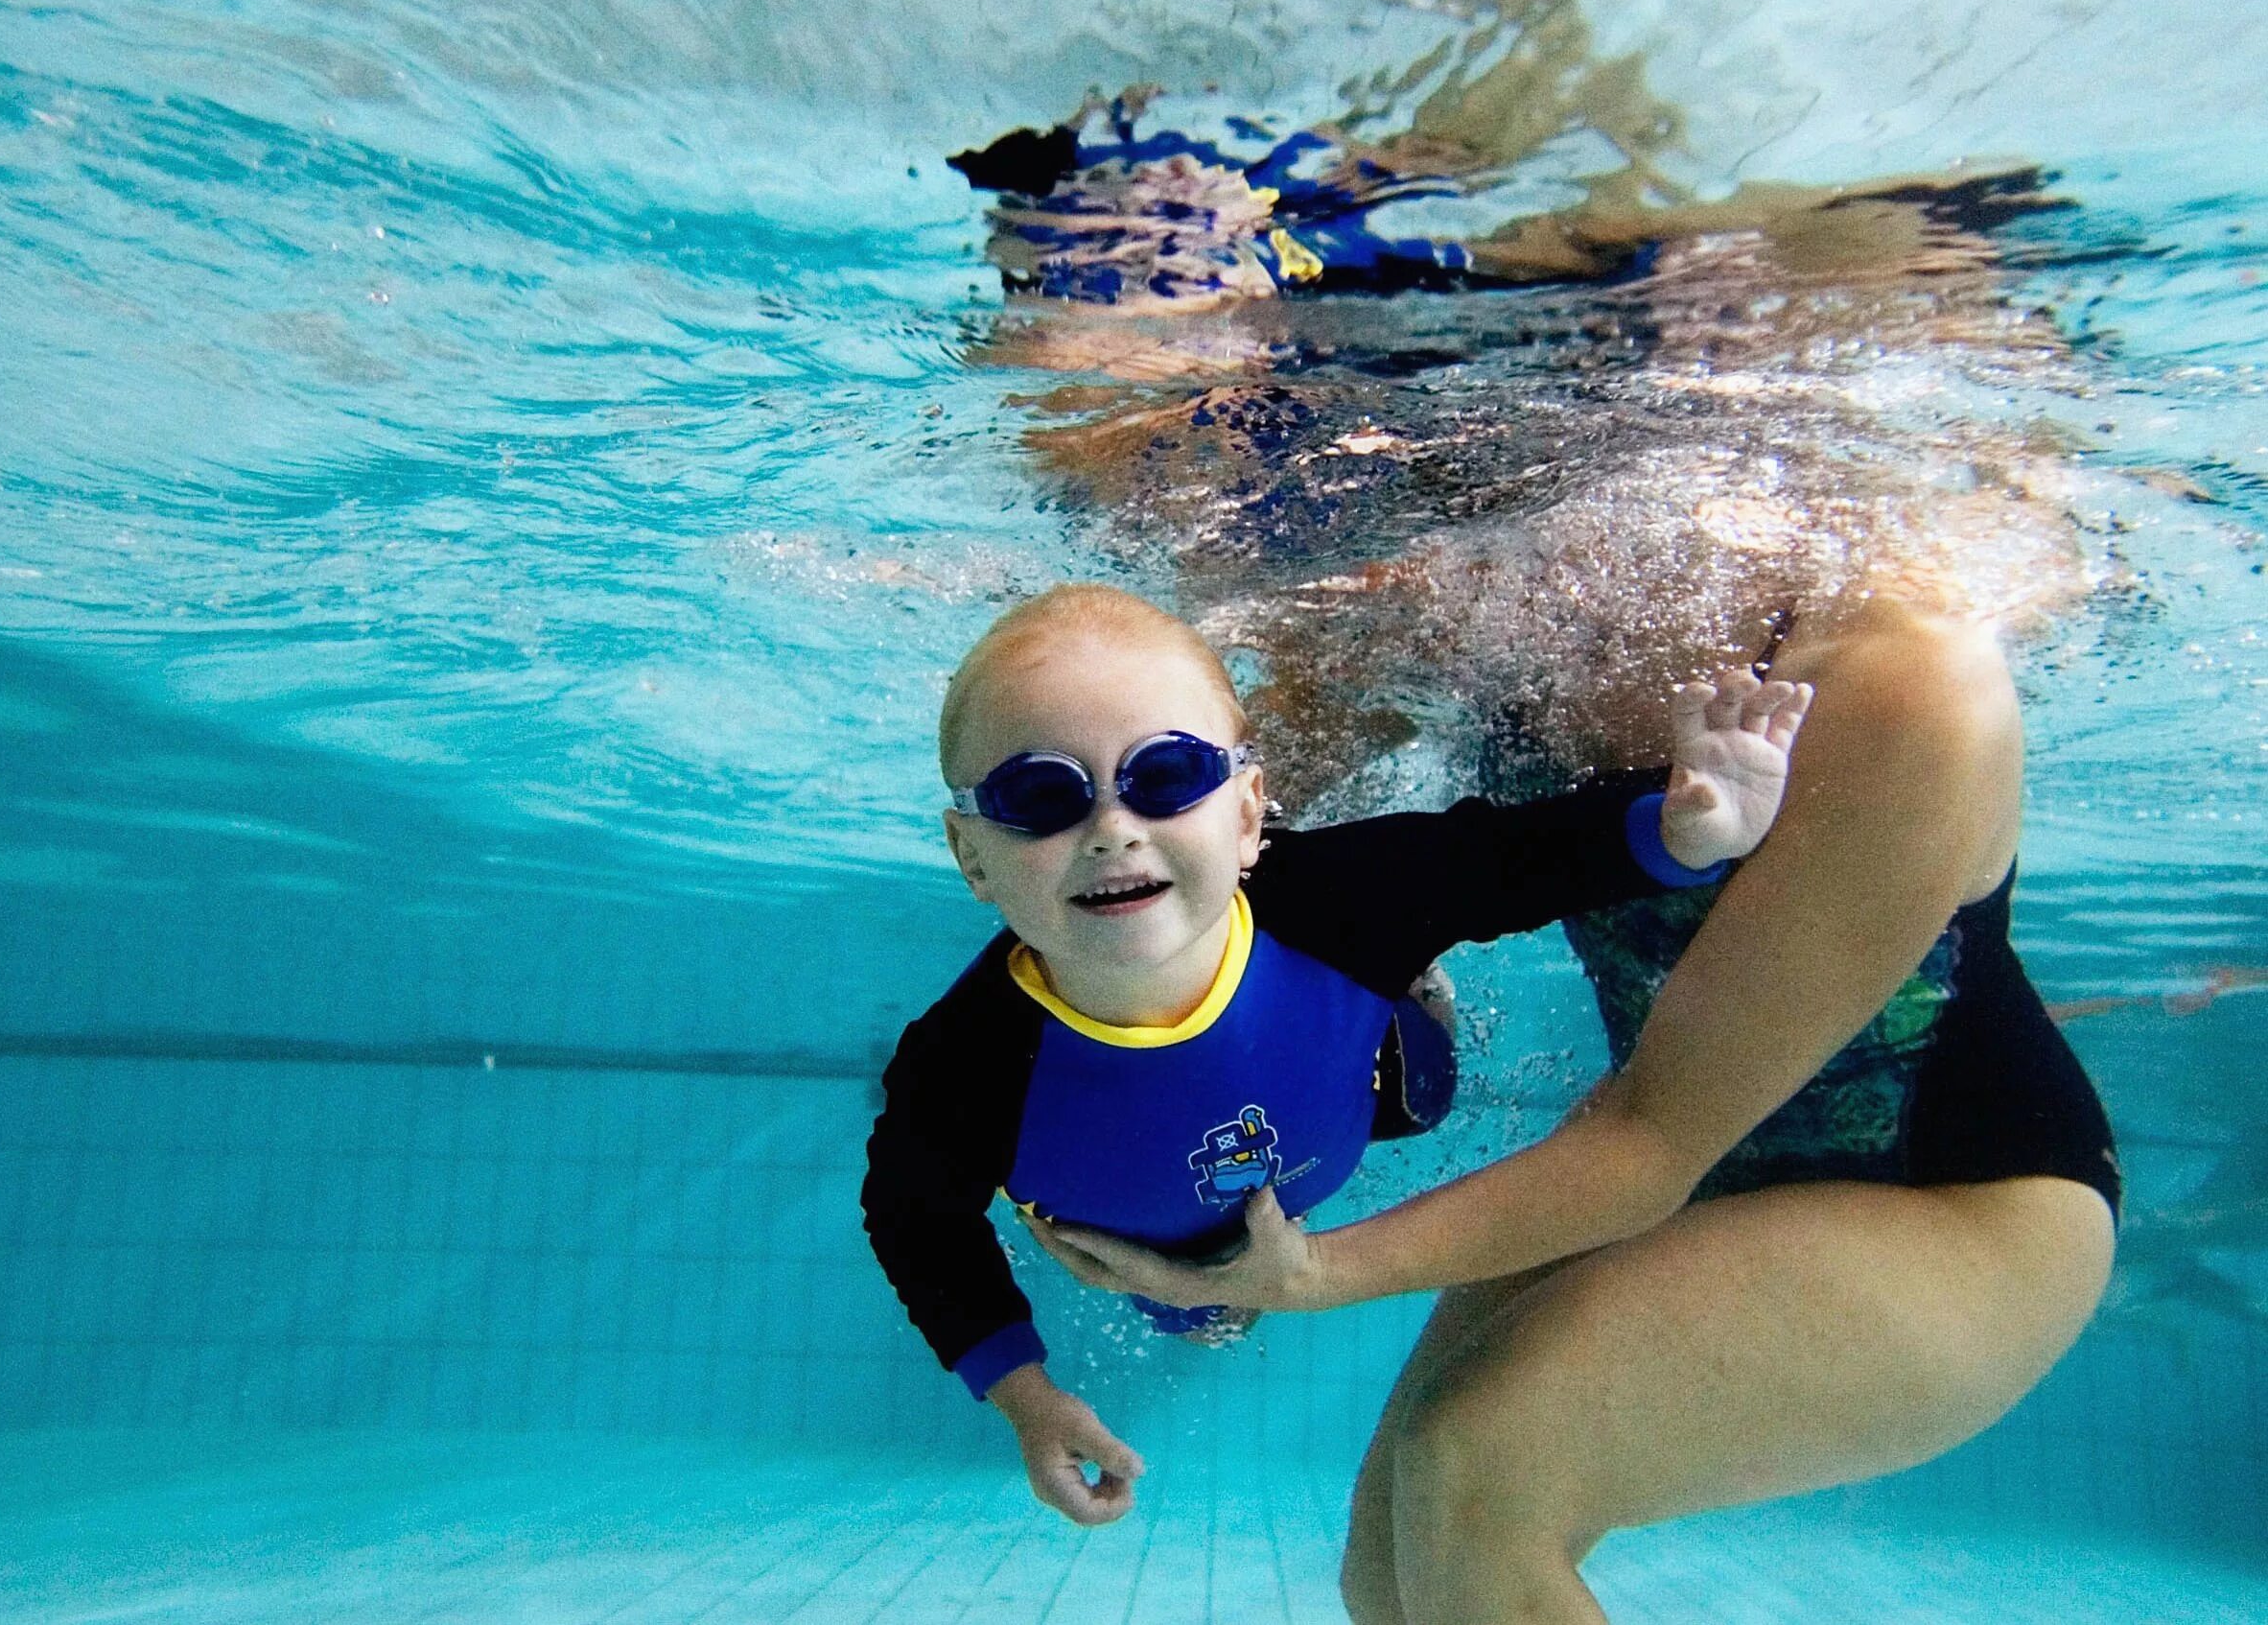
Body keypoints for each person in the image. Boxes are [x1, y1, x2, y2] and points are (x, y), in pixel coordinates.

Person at [959, 103, 2124, 1623]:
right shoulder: (1486, 596)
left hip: (1958, 1203)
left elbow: (1651, 1138)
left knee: (1486, 1470)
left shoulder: (1908, 685)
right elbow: (1285, 907)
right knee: (1391, 1565)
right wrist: (1205, 1195)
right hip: (1666, 1160)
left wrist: (1300, 1272)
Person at [860, 580, 1812, 1526]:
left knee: (1423, 1085)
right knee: (1199, 1305)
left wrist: (1684, 833)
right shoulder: (959, 1069)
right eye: (1039, 796)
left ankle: (1408, 991)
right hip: (1171, 1235)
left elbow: (1501, 860)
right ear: (972, 857)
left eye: (1166, 776)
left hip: (1362, 1084)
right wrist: (1025, 1394)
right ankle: (1225, 1292)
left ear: (1244, 818)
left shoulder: (1330, 899)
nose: (1112, 829)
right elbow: (913, 1220)